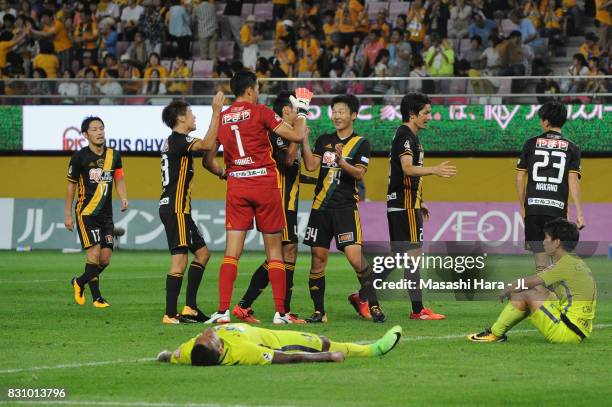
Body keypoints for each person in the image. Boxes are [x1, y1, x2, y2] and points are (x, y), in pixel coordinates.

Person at [203, 71, 309, 325]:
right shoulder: (260, 111)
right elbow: (296, 135)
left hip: (237, 185)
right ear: (250, 90)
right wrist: (302, 110)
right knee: (274, 251)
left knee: (231, 252)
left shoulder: (224, 116)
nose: (259, 92)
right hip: (264, 184)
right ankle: (280, 313)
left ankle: (222, 311)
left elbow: (207, 159)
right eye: (258, 87)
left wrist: (223, 172)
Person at [301, 94, 385, 323]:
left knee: (356, 259)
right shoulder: (324, 139)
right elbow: (310, 165)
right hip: (320, 208)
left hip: (346, 208)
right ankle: (319, 312)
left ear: (353, 115)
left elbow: (359, 173)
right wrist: (304, 141)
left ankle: (374, 305)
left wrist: (341, 162)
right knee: (318, 258)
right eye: (334, 111)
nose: (337, 115)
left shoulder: (361, 143)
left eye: (341, 111)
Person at [233, 91, 306, 324]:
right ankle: (276, 310)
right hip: (279, 199)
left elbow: (310, 166)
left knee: (286, 252)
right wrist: (298, 136)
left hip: (290, 200)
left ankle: (259, 307)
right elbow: (287, 160)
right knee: (284, 252)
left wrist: (303, 137)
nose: (299, 114)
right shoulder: (276, 133)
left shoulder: (291, 133)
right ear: (286, 111)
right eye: (297, 109)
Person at [382, 93, 455, 320]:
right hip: (404, 204)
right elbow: (407, 168)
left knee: (399, 256)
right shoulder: (406, 136)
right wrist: (434, 169)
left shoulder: (410, 136)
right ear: (412, 114)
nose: (429, 117)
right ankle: (418, 310)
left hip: (405, 203)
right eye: (425, 113)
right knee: (413, 255)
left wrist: (419, 202)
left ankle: (363, 293)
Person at [468, 219, 596, 343]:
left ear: (556, 242)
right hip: (578, 330)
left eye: (546, 238)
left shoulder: (564, 265)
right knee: (536, 290)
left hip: (567, 333)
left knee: (526, 293)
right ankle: (496, 332)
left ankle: (494, 334)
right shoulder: (574, 261)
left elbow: (529, 282)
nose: (544, 242)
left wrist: (506, 290)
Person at [159, 94, 225, 324]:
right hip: (175, 208)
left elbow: (206, 152)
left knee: (203, 254)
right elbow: (207, 145)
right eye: (190, 113)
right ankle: (169, 314)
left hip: (179, 209)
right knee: (179, 260)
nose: (194, 116)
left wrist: (220, 172)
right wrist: (216, 112)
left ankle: (190, 308)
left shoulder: (175, 141)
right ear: (180, 118)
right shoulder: (178, 139)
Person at [65, 116, 129, 308]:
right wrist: (68, 213)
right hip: (86, 212)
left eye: (101, 128)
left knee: (105, 258)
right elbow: (71, 187)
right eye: (94, 129)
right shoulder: (79, 157)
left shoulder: (113, 155)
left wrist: (124, 196)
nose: (99, 132)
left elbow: (119, 178)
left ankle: (79, 281)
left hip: (106, 215)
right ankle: (97, 298)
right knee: (93, 254)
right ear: (85, 134)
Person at [516, 101, 584, 274]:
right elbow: (573, 180)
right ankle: (564, 298)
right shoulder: (572, 148)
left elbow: (520, 177)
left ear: (545, 122)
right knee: (558, 262)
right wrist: (579, 213)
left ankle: (543, 299)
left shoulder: (530, 144)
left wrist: (523, 207)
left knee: (540, 265)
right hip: (556, 210)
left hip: (534, 209)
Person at [157, 323, 402, 366]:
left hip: (261, 332)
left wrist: (165, 356)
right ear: (220, 349)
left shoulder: (190, 351)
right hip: (276, 340)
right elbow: (287, 358)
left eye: (201, 335)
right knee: (323, 343)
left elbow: (170, 356)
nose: (206, 332)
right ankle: (374, 349)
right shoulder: (246, 353)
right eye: (209, 337)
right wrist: (327, 358)